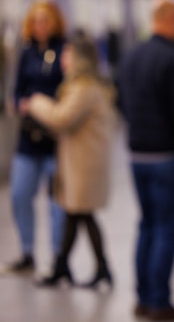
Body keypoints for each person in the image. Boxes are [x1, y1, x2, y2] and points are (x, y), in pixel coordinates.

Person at [117, 0, 174, 321]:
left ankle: (142, 297)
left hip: (138, 154)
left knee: (147, 225)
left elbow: (121, 101)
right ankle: (159, 301)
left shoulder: (131, 56)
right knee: (166, 229)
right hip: (169, 156)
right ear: (170, 21)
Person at [25, 33, 117, 288]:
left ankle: (84, 267)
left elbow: (61, 118)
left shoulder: (84, 87)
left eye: (67, 54)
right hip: (80, 159)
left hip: (84, 163)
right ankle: (72, 266)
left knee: (80, 213)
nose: (63, 59)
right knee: (77, 215)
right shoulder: (87, 85)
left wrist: (37, 103)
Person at [3, 0, 66, 274]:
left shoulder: (64, 51)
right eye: (36, 20)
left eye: (45, 20)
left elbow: (68, 91)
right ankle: (27, 252)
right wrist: (18, 103)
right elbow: (17, 89)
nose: (40, 25)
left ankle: (57, 257)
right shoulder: (26, 52)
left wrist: (42, 103)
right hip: (28, 138)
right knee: (19, 195)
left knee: (57, 202)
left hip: (55, 137)